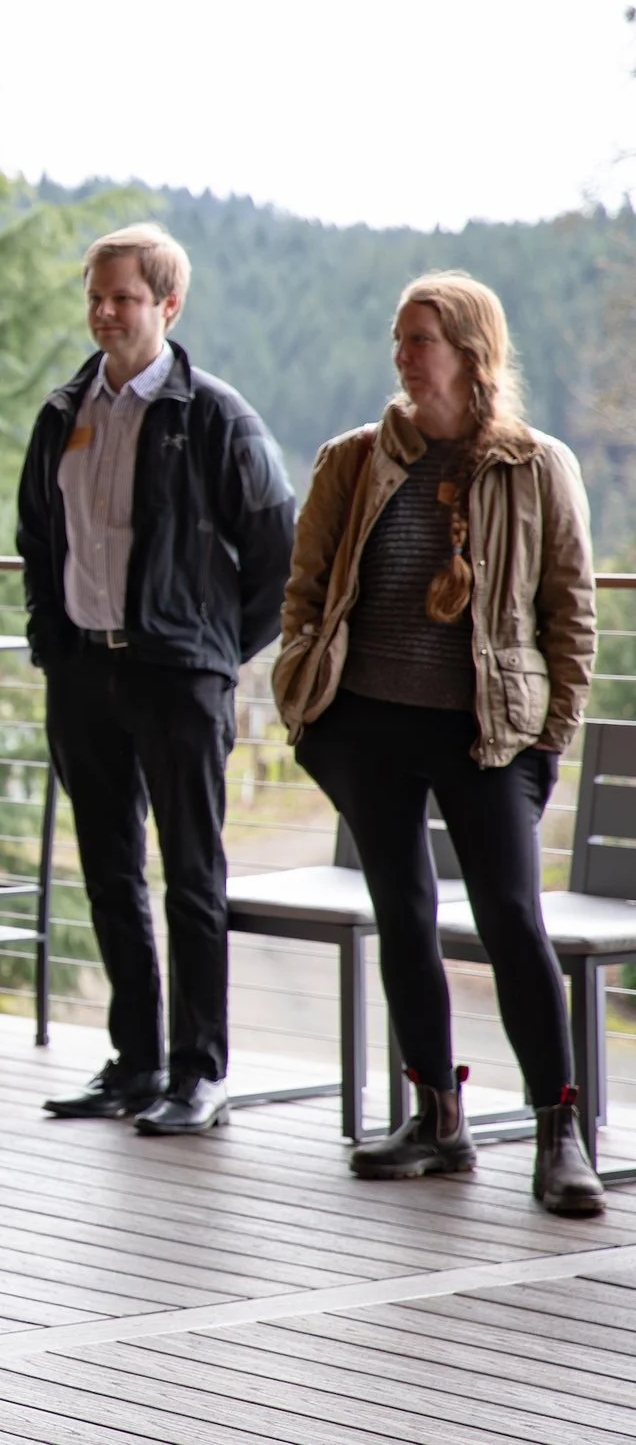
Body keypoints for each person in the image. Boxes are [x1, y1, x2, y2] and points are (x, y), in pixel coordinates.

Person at [275, 271, 603, 1215]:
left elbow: (570, 613)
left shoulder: (537, 466)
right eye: (399, 337)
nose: (403, 355)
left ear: (471, 352)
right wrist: (309, 701)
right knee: (404, 915)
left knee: (511, 919)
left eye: (420, 338)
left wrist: (549, 737)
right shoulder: (352, 460)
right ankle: (436, 1121)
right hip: (368, 725)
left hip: (488, 734)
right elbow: (306, 591)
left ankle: (560, 1133)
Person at [17, 223, 295, 1136]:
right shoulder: (63, 410)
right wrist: (53, 644)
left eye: (124, 298)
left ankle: (200, 1073)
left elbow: (280, 559)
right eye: (95, 296)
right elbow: (37, 538)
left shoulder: (215, 415)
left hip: (179, 679)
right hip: (82, 672)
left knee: (191, 876)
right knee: (108, 872)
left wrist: (212, 652)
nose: (104, 312)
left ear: (168, 305)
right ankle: (137, 1064)